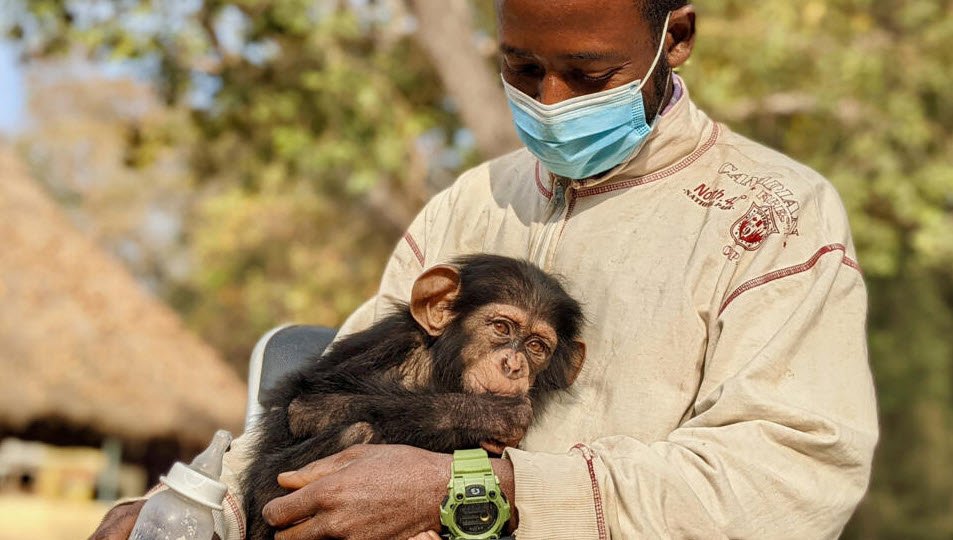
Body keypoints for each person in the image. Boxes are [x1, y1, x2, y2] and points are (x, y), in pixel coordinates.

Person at [92, 1, 878, 538]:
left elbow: (790, 479)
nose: (551, 99)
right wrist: (188, 504)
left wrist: (479, 488)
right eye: (521, 66)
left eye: (590, 74)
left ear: (674, 36)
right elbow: (336, 388)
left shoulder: (775, 217)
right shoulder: (473, 201)